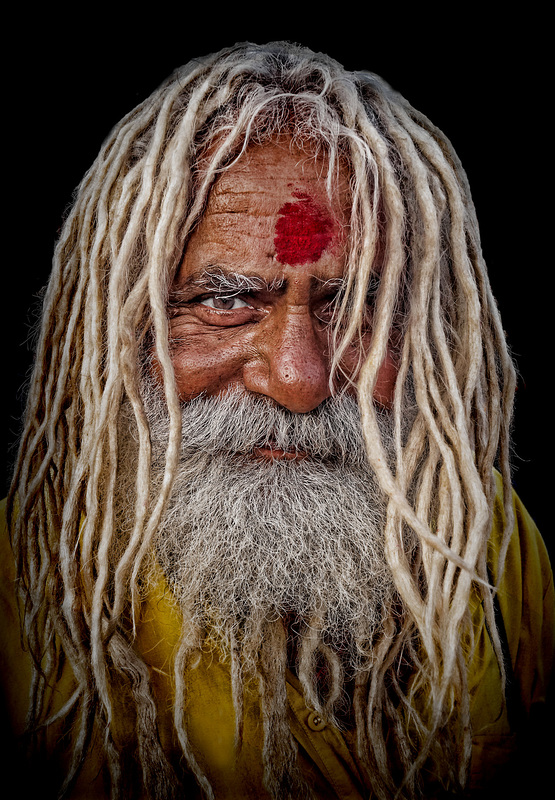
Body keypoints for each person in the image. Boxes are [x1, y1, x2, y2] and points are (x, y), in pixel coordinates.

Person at [0, 41, 552, 800]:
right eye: (223, 302)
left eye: (353, 308)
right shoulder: (16, 582)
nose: (298, 379)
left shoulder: (483, 554)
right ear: (113, 330)